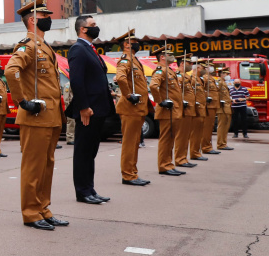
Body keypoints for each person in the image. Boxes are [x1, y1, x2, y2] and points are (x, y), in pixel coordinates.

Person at [4, 0, 68, 231]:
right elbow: (11, 70)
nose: (49, 20)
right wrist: (22, 101)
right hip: (36, 115)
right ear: (32, 20)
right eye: (45, 17)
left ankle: (44, 209)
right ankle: (31, 212)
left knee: (46, 165)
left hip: (50, 115)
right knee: (34, 166)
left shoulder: (45, 46)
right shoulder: (28, 45)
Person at [67, 15, 113, 205]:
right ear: (82, 29)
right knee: (83, 152)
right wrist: (84, 107)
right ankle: (82, 192)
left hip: (98, 109)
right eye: (93, 25)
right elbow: (76, 81)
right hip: (88, 111)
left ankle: (90, 189)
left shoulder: (90, 49)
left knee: (91, 152)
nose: (96, 28)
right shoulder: (78, 49)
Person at [112, 30, 150, 186]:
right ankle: (128, 174)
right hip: (130, 107)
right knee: (129, 143)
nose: (137, 43)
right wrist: (128, 95)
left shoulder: (134, 60)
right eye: (134, 41)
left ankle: (133, 172)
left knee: (134, 142)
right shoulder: (125, 60)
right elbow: (120, 78)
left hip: (138, 108)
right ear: (127, 44)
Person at [148, 46, 185, 177]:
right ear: (162, 57)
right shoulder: (160, 70)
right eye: (169, 54)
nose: (172, 55)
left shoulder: (169, 70)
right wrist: (160, 101)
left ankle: (168, 164)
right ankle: (164, 165)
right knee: (166, 139)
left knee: (170, 139)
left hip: (173, 111)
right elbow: (153, 86)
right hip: (167, 110)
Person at [175, 55, 198, 169]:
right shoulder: (179, 76)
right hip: (183, 109)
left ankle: (183, 158)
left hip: (189, 109)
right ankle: (179, 158)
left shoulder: (186, 77)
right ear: (182, 64)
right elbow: (177, 91)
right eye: (189, 63)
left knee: (186, 136)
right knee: (182, 135)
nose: (191, 65)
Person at [201, 62, 221, 155]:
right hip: (208, 105)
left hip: (213, 105)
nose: (211, 67)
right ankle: (206, 147)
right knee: (207, 128)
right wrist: (205, 98)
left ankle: (208, 146)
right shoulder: (204, 78)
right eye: (209, 66)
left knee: (210, 127)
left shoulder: (211, 78)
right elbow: (201, 90)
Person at [191, 63, 209, 162]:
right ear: (197, 68)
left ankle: (196, 152)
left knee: (198, 132)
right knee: (195, 133)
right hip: (196, 109)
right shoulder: (192, 79)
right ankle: (194, 152)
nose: (204, 70)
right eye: (202, 68)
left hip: (201, 108)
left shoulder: (199, 79)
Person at [216, 67, 234, 150]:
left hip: (227, 106)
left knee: (226, 126)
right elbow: (216, 93)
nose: (228, 76)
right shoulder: (219, 82)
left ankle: (224, 143)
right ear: (222, 74)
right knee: (222, 126)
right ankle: (220, 144)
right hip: (222, 107)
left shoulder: (224, 83)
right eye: (226, 74)